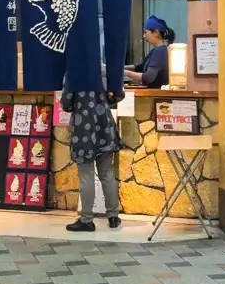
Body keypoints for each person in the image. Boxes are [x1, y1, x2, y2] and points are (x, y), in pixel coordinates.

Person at [61, 84, 121, 233]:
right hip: (104, 125)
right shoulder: (105, 70)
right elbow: (119, 95)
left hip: (83, 129)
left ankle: (86, 220)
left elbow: (66, 104)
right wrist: (104, 103)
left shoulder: (74, 74)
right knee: (107, 173)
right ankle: (113, 217)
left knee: (86, 175)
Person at [124, 16, 173, 88]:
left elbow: (148, 77)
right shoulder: (155, 50)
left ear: (156, 33)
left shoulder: (160, 52)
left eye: (146, 32)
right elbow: (139, 67)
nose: (144, 36)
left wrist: (125, 73)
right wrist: (120, 67)